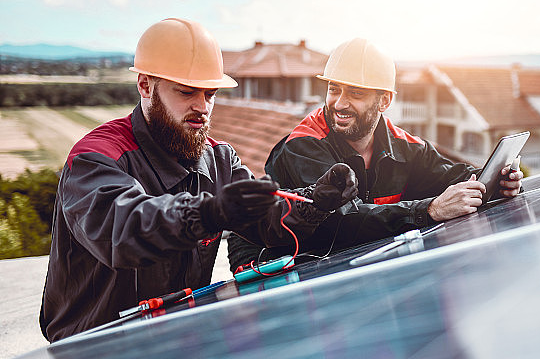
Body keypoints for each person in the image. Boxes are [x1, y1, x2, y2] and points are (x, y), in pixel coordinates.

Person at [40, 18, 357, 342]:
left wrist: (315, 203)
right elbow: (122, 231)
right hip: (91, 348)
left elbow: (266, 219)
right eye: (187, 92)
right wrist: (207, 214)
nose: (202, 106)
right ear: (146, 85)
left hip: (175, 338)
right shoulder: (95, 158)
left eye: (210, 93)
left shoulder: (219, 159)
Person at [227, 37, 522, 267]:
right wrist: (430, 210)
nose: (339, 103)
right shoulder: (303, 146)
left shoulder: (403, 145)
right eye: (333, 89)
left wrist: (494, 181)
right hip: (280, 269)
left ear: (384, 101)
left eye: (355, 93)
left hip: (343, 262)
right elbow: (341, 221)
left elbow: (450, 175)